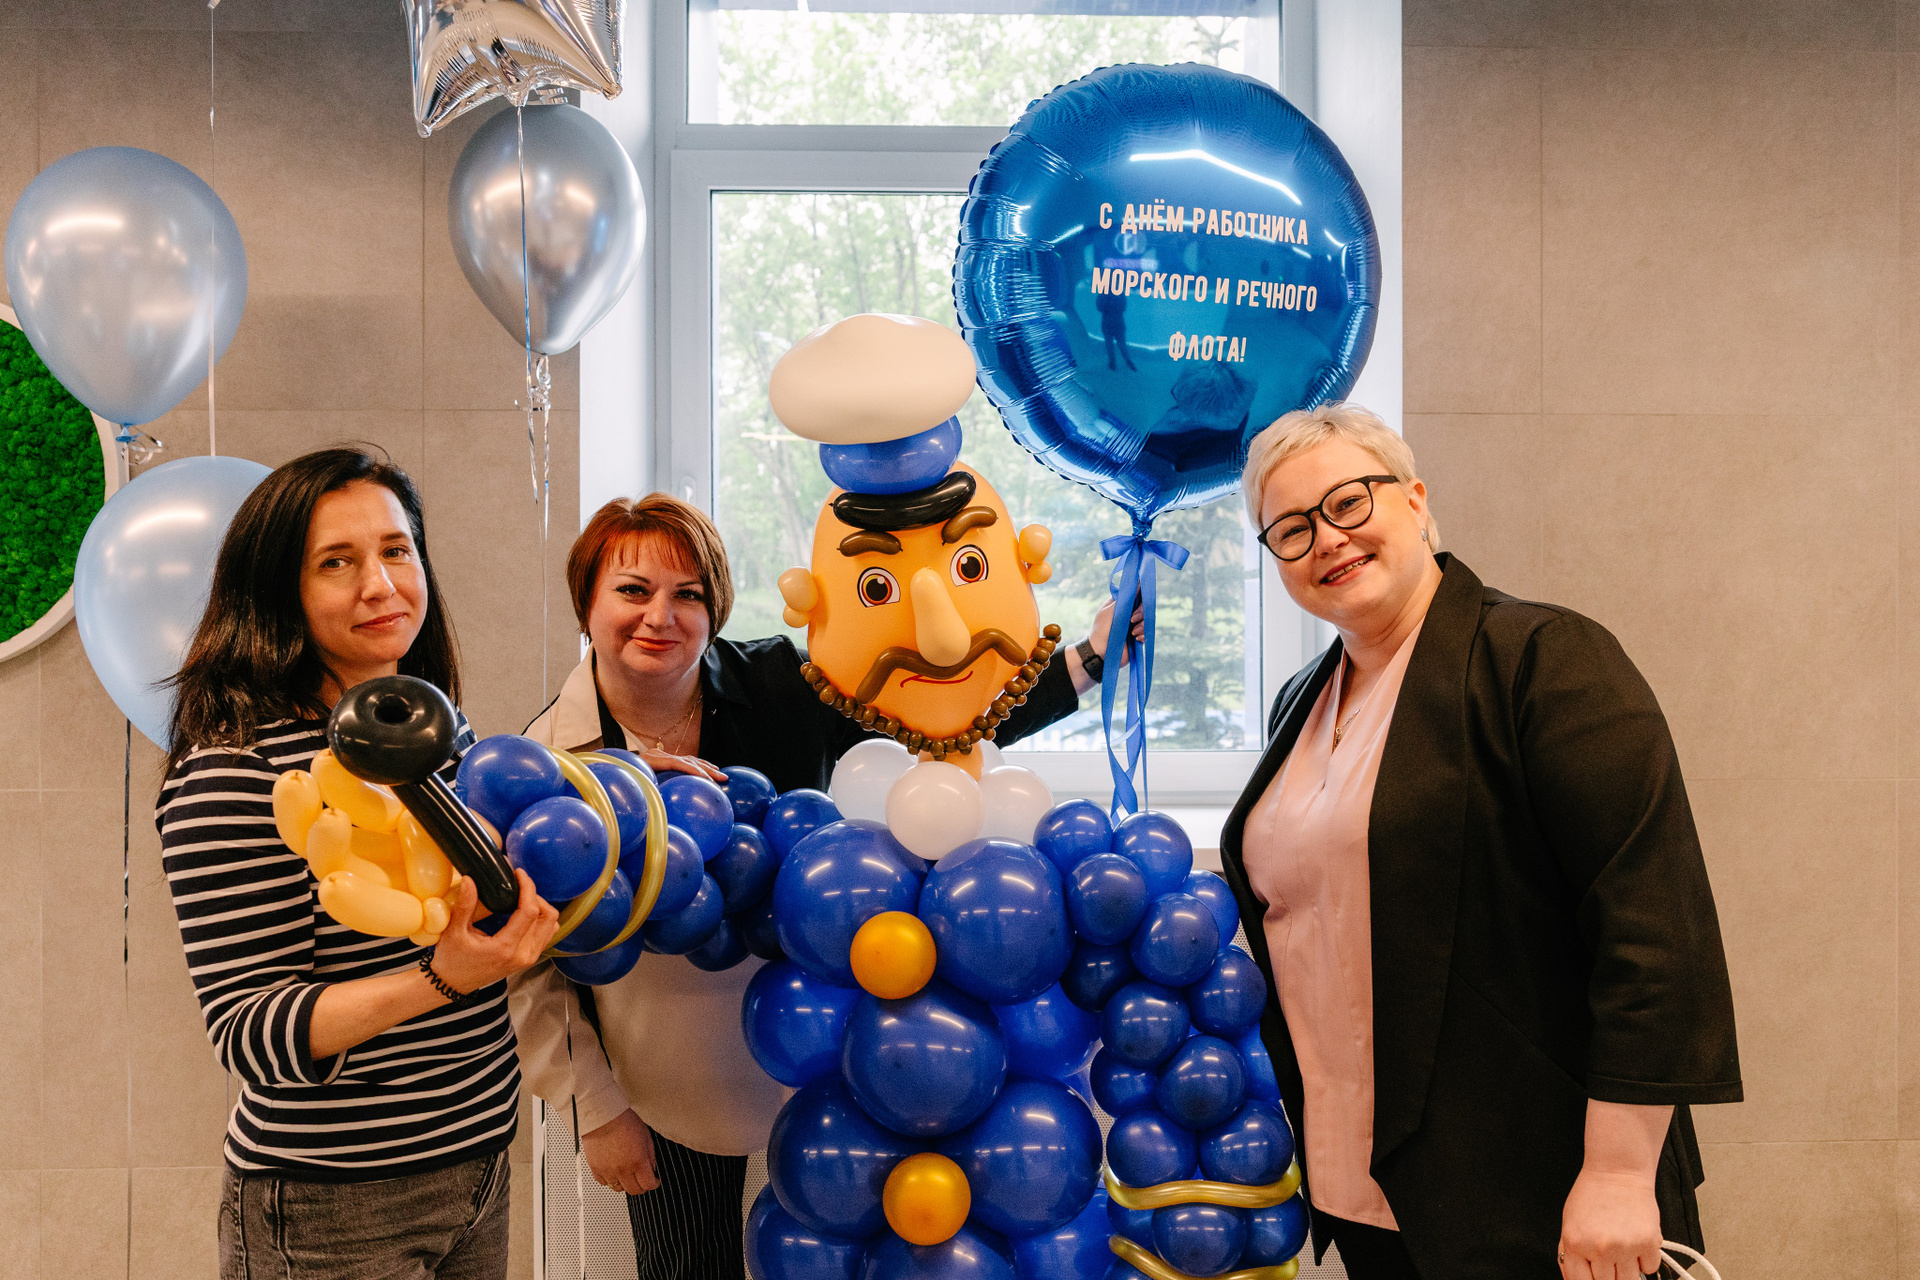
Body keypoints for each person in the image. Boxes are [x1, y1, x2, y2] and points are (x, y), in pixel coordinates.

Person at [508, 493, 1133, 1280]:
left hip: (824, 1053)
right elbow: (529, 967)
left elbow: (941, 711)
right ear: (587, 606)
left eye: (687, 594)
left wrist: (1090, 657)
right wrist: (596, 1111)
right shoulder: (551, 761)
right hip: (665, 1082)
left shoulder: (782, 682)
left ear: (715, 608)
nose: (659, 616)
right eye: (632, 590)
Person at [1217, 405, 1741, 1280]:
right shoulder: (1298, 704)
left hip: (1541, 1186)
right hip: (1368, 1186)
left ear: (1415, 500)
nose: (1327, 539)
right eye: (1292, 529)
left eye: (1348, 501)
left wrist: (1617, 1175)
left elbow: (1655, 929)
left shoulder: (1543, 659)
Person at [158, 447, 560, 1280]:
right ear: (279, 591)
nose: (381, 585)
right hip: (330, 1205)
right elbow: (249, 1030)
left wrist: (617, 787)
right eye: (336, 563)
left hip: (479, 1159)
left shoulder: (434, 729)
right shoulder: (236, 769)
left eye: (396, 550)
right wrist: (441, 979)